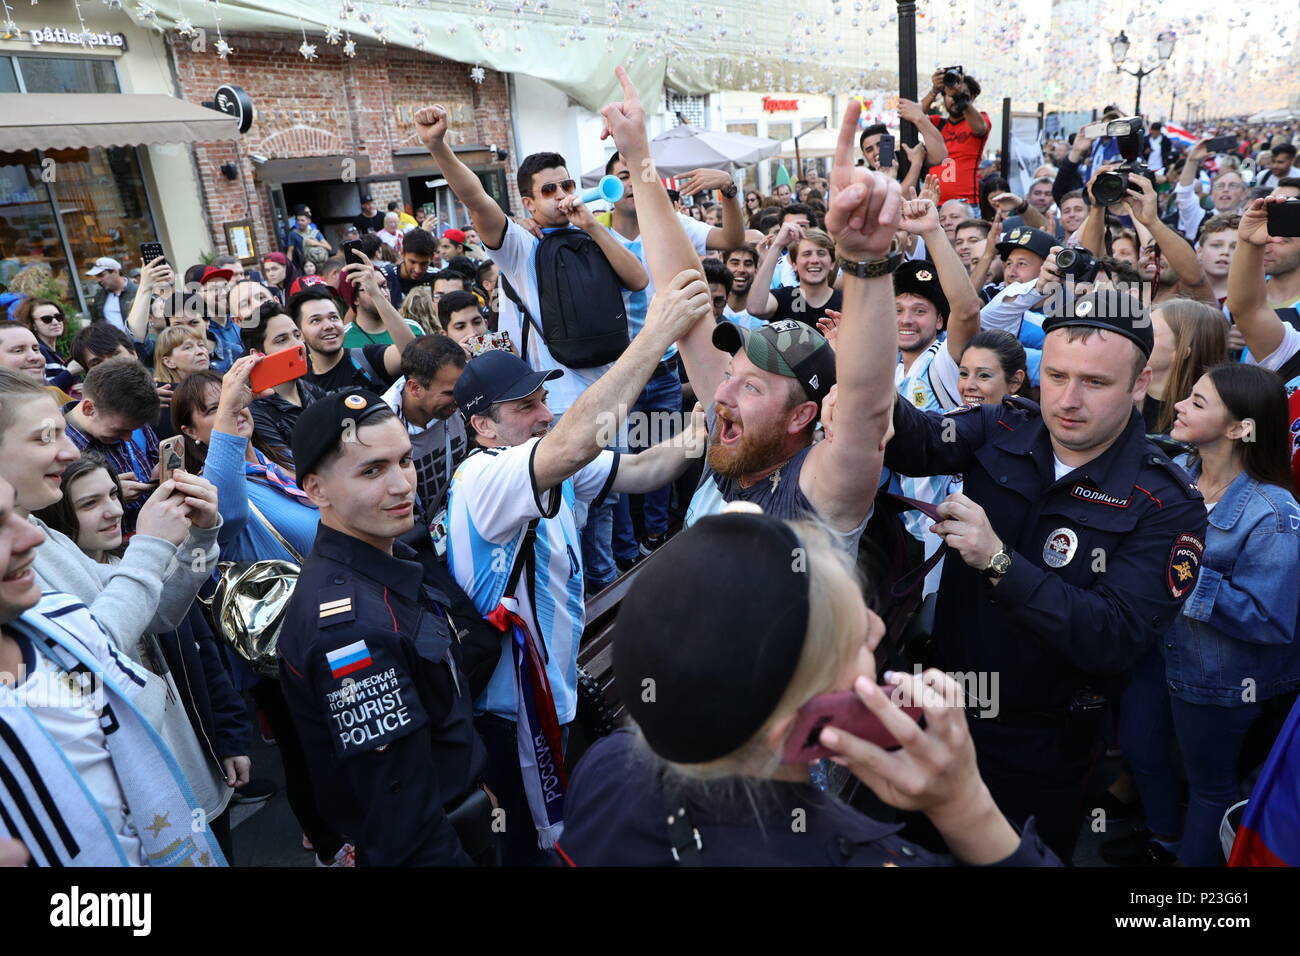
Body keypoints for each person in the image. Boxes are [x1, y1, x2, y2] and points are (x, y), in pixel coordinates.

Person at [882, 289, 1209, 862]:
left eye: (1096, 383)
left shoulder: (1167, 501)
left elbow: (1114, 635)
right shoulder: (1002, 428)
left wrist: (998, 561)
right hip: (941, 708)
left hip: (1041, 742)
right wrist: (851, 361)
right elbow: (914, 441)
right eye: (1055, 375)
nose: (1068, 399)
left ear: (1140, 385)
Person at [557, 512, 1059, 867]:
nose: (878, 629)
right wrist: (965, 806)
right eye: (856, 636)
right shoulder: (867, 856)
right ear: (800, 727)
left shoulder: (607, 766)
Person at [277, 388, 495, 866]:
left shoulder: (391, 558)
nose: (401, 485)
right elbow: (403, 817)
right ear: (316, 490)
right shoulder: (351, 631)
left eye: (404, 461)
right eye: (372, 470)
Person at [32, 453, 254, 861]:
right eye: (89, 503)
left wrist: (202, 536)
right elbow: (93, 650)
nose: (113, 510)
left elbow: (191, 642)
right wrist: (154, 544)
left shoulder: (134, 566)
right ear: (58, 518)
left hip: (199, 774)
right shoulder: (126, 565)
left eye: (113, 495)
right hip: (147, 803)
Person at [415, 107, 648, 419]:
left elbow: (639, 280)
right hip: (556, 403)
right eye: (548, 190)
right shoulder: (520, 244)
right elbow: (477, 199)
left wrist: (592, 227)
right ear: (529, 203)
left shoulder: (593, 231)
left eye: (567, 186)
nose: (561, 195)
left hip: (613, 395)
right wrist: (438, 146)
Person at [1159, 364, 1300, 865]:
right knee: (1150, 755)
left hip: (1219, 682)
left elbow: (1271, 617)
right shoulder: (1178, 475)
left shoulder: (1274, 512)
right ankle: (1160, 842)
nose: (1179, 405)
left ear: (1241, 428)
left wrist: (1181, 572)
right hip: (1162, 663)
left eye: (1198, 403)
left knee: (1210, 791)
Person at [380, 335, 468, 545]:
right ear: (414, 388)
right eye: (449, 393)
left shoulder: (463, 402)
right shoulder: (379, 429)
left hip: (462, 525)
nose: (459, 398)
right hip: (413, 544)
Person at [63, 359, 162, 534]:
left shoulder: (129, 417)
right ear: (88, 408)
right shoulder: (55, 447)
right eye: (120, 430)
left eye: (134, 430)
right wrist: (111, 496)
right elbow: (51, 517)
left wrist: (156, 480)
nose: (128, 438)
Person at [290, 273, 410, 396]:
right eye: (316, 320)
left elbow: (412, 354)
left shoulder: (366, 359)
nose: (328, 326)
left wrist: (376, 295)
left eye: (333, 317)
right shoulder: (299, 386)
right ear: (300, 334)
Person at [1141, 299, 1229, 434]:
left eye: (1150, 332)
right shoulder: (1120, 391)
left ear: (1181, 353)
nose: (1138, 334)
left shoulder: (1195, 421)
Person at [746, 224, 843, 326]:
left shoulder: (846, 302)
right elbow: (755, 308)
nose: (814, 260)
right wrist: (777, 245)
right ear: (794, 264)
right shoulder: (785, 298)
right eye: (807, 254)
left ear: (832, 263)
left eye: (821, 253)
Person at [921, 68, 990, 208]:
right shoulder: (937, 124)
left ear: (972, 97)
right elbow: (915, 115)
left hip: (966, 204)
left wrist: (960, 98)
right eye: (950, 95)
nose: (955, 99)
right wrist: (934, 90)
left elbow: (980, 129)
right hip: (934, 203)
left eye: (964, 94)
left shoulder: (981, 118)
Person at [13, 298, 75, 393]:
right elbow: (42, 391)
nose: (55, 322)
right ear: (33, 324)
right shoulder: (37, 352)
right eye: (47, 319)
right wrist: (70, 372)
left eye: (58, 317)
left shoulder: (52, 351)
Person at [957, 330, 1028, 407]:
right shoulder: (947, 418)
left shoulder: (1037, 418)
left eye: (983, 375)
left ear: (1015, 381)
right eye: (964, 374)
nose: (968, 386)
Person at [86, 256, 138, 332]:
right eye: (97, 276)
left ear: (115, 272)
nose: (98, 280)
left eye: (101, 275)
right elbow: (95, 322)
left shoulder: (137, 291)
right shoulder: (100, 295)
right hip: (112, 342)